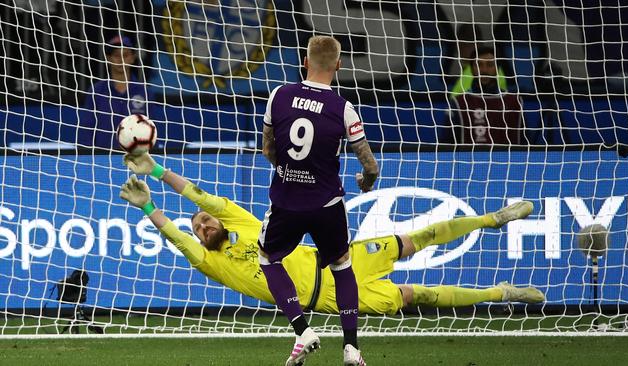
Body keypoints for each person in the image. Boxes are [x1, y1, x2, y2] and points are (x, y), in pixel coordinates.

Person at [119, 153, 545, 347]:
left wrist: (156, 169)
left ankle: (493, 218)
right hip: (331, 299)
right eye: (198, 227)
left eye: (205, 220)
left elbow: (201, 196)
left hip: (340, 260)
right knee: (419, 296)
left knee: (413, 239)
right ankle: (501, 294)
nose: (204, 223)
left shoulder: (242, 223)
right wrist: (149, 206)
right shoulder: (210, 262)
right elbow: (174, 236)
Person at [258, 35, 378, 366]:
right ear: (338, 65)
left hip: (286, 201)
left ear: (305, 61)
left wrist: (290, 171)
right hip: (326, 204)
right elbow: (370, 164)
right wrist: (365, 183)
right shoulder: (343, 108)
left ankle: (302, 329)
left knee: (268, 259)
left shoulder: (278, 96)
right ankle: (351, 348)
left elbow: (268, 148)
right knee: (342, 265)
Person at [79, 35, 147, 150]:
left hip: (136, 159)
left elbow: (153, 129)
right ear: (108, 58)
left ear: (132, 58)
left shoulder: (144, 92)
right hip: (102, 159)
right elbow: (87, 129)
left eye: (125, 55)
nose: (121, 60)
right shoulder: (97, 91)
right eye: (116, 55)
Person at [449, 45, 524, 145]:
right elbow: (446, 145)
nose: (484, 70)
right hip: (470, 160)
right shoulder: (459, 103)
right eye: (479, 65)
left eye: (489, 65)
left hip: (508, 160)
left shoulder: (514, 102)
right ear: (472, 69)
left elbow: (524, 142)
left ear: (497, 69)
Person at [449, 25, 507, 98]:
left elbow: (455, 101)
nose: (459, 50)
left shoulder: (474, 72)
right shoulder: (493, 67)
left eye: (463, 45)